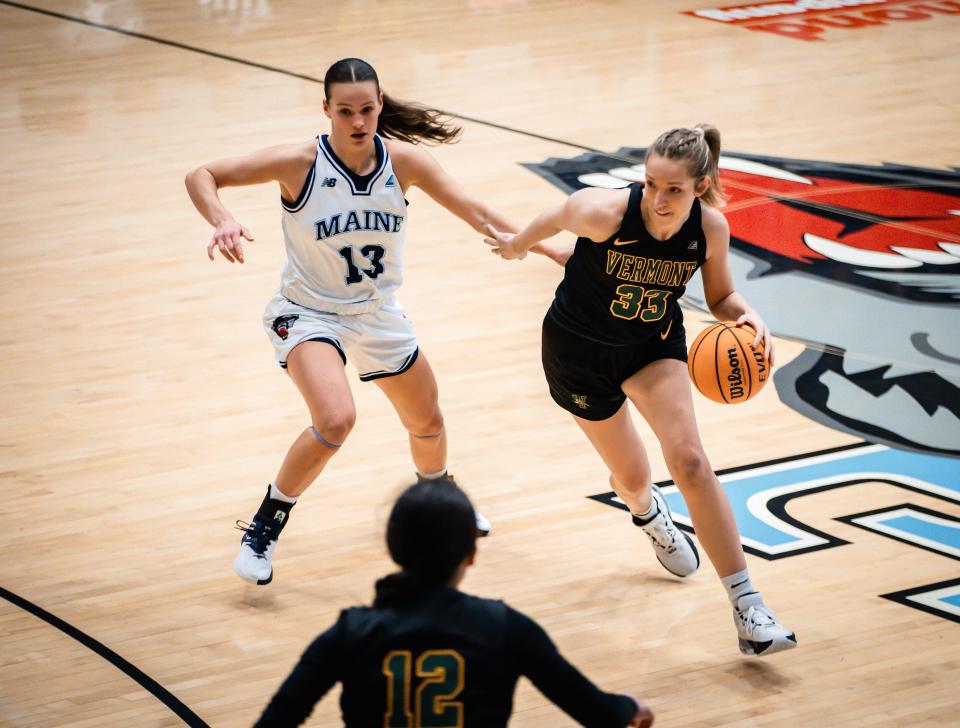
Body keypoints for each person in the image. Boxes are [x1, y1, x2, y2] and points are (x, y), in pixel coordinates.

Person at [185, 57, 565, 586]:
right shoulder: (299, 162)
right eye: (345, 111)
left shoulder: (404, 162)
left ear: (380, 105)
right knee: (336, 419)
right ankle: (264, 526)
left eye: (367, 109)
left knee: (427, 422)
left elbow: (476, 210)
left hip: (377, 312)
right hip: (308, 311)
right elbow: (201, 174)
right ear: (326, 110)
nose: (358, 122)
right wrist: (222, 218)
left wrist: (548, 250)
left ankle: (441, 499)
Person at [483, 125, 797, 657]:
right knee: (631, 476)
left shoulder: (709, 229)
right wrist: (519, 246)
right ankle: (648, 512)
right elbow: (555, 217)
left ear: (700, 186)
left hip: (651, 347)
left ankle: (749, 610)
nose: (658, 198)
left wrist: (747, 315)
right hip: (577, 353)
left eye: (673, 188)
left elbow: (721, 296)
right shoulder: (603, 212)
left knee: (692, 463)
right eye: (651, 183)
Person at [254, 479, 655, 727]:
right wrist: (628, 707)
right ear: (471, 555)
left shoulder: (349, 633)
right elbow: (596, 712)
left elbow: (278, 719)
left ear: (394, 549)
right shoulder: (505, 628)